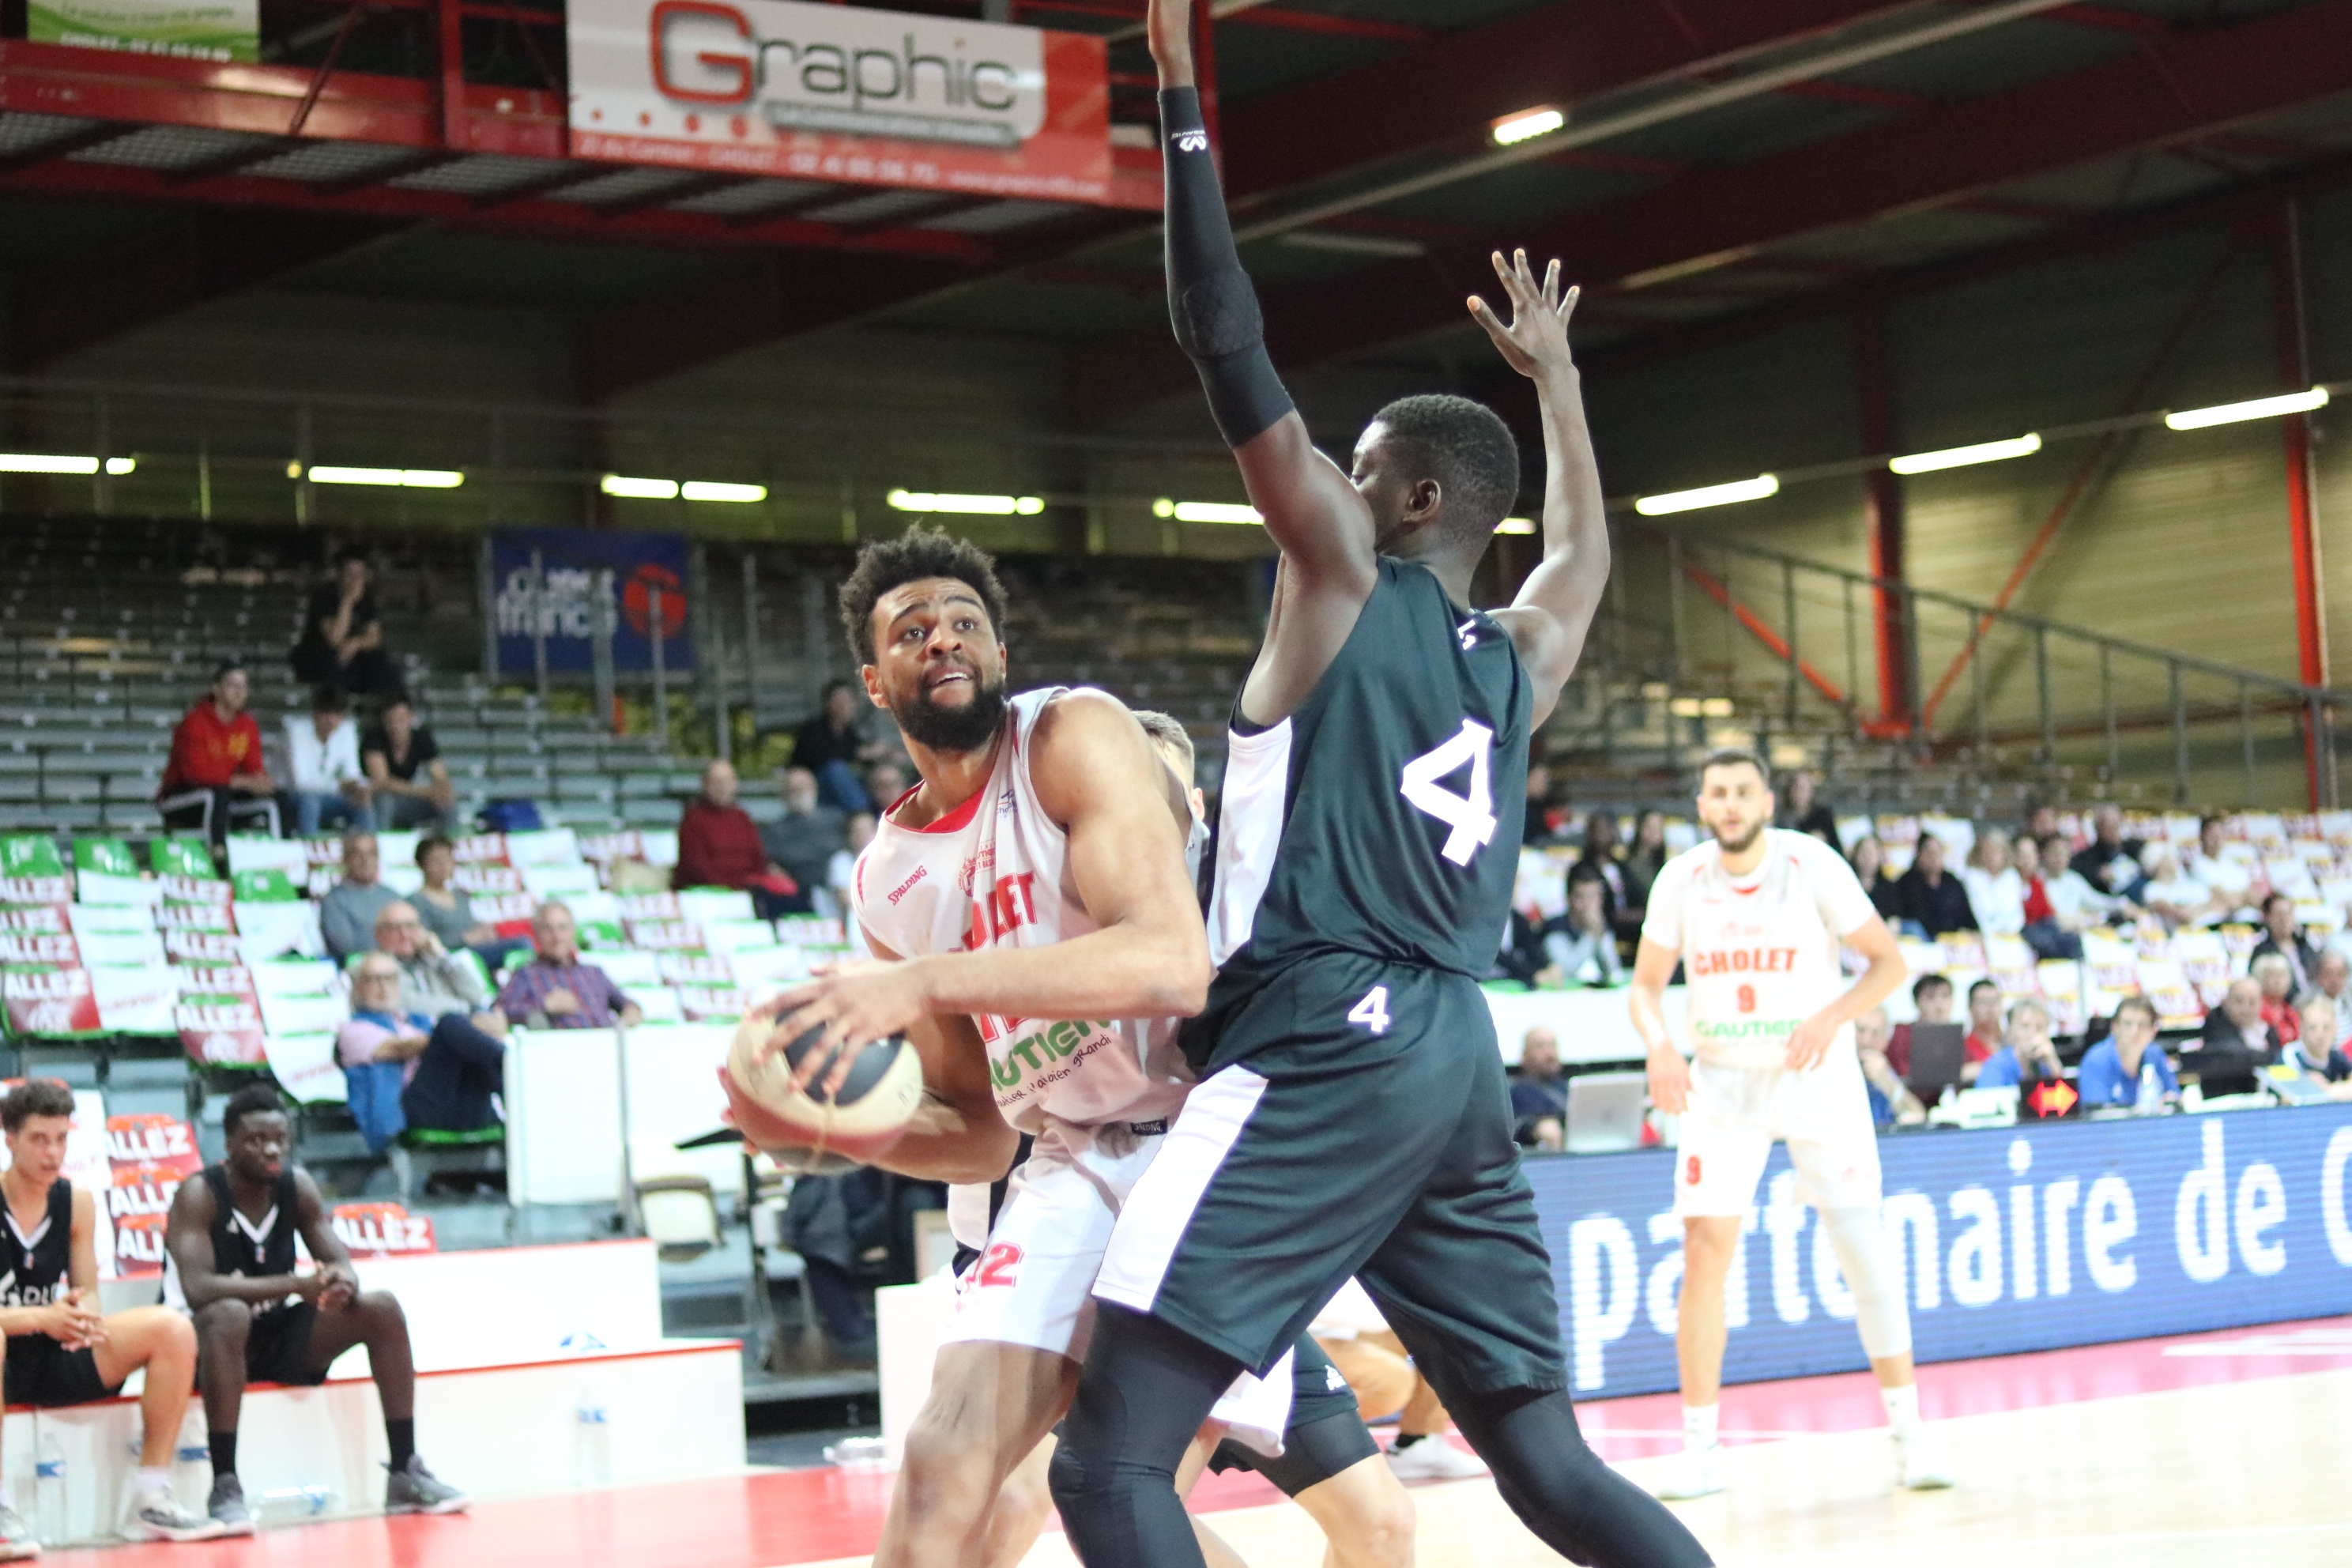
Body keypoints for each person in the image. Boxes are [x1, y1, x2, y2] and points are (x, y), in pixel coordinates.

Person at [1047, 13, 1713, 1561]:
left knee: (1114, 1461)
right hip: (1454, 1061)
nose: (1324, 491)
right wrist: (1559, 380)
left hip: (1321, 1035)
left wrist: (1178, 103)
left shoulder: (1343, 575)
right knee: (1547, 1462)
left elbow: (1222, 338)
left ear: (1405, 499)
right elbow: (1582, 557)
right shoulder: (1518, 657)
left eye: (1352, 469)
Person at [726, 532, 1404, 1568]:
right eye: (912, 632)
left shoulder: (1070, 734)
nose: (943, 639)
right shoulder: (888, 881)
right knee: (942, 1457)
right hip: (1067, 1158)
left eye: (965, 622)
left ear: (999, 653)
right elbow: (976, 1139)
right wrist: (827, 1132)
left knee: (1131, 1496)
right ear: (874, 679)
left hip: (1209, 1146)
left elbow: (1171, 965)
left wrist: (924, 980)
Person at [1632, 750, 1946, 1499]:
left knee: (1862, 1245)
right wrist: (1660, 1048)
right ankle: (1700, 1450)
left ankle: (1910, 1437)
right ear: (1703, 806)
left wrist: (1832, 1019)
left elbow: (1887, 964)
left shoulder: (1814, 865)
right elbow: (1645, 989)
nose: (1731, 804)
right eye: (1718, 793)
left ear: (1768, 800)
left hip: (1817, 1075)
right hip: (1722, 1081)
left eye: (1744, 791)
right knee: (1706, 1253)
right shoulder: (1681, 879)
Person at [164, 1086, 466, 1533]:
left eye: (279, 1139)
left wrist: (343, 1282)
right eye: (256, 1139)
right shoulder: (199, 1194)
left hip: (271, 1334)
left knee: (381, 1308)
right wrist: (295, 1284)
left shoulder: (296, 1187)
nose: (271, 1149)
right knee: (229, 1314)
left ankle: (405, 1471)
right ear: (228, 1144)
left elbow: (338, 1259)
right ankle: (225, 1484)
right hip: (202, 1347)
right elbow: (197, 1288)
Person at [0, 1081, 220, 1547]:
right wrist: (41, 1318)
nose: (53, 1152)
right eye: (40, 1139)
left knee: (172, 1329)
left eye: (61, 1139)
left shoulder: (75, 1202)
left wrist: (83, 1317)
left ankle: (151, 1501)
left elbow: (88, 1293)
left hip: (53, 1351)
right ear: (10, 1140)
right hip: (8, 1355)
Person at [1308, 1279, 1487, 1482]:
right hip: (1293, 1344)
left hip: (1343, 1331)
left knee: (1438, 1333)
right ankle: (1307, 1440)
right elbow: (1370, 1318)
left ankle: (1417, 1442)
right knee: (1390, 1381)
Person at [373, 902, 508, 1136]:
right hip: (424, 1081)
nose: (405, 935)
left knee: (465, 1030)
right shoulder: (376, 971)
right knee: (450, 1024)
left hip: (459, 1078)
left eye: (412, 926)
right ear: (379, 935)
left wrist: (442, 956)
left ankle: (512, 1083)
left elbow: (478, 995)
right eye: (395, 928)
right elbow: (405, 1002)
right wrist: (466, 1015)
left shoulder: (434, 963)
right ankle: (511, 1066)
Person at [156, 661, 276, 845]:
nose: (239, 692)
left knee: (279, 797)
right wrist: (240, 782)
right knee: (217, 795)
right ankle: (219, 857)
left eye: (243, 686)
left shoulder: (247, 724)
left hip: (224, 793)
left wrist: (261, 780)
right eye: (232, 685)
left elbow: (253, 765)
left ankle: (287, 856)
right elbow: (196, 775)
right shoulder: (194, 722)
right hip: (182, 796)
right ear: (216, 689)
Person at [673, 760, 800, 919]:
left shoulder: (741, 817)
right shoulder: (693, 820)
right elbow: (697, 868)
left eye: (728, 782)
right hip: (709, 895)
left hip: (749, 891)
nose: (722, 787)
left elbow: (758, 858)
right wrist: (740, 886)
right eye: (717, 782)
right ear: (705, 785)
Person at [337, 954, 432, 1154]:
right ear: (358, 987)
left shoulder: (418, 1021)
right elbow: (400, 1049)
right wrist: (445, 1037)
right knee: (454, 1025)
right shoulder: (353, 1030)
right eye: (373, 979)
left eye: (390, 978)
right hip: (407, 1111)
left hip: (440, 1097)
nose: (384, 987)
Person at [493, 902, 641, 1030]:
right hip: (561, 1051)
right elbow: (499, 1010)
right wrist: (544, 1006)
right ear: (537, 934)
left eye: (563, 928)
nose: (557, 937)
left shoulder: (593, 973)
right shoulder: (527, 974)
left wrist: (632, 1012)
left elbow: (625, 1004)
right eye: (548, 929)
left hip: (606, 1044)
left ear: (573, 932)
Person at [288, 552, 398, 696]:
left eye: (360, 575)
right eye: (350, 575)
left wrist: (355, 643)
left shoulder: (367, 599)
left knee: (382, 663)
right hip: (318, 655)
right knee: (334, 661)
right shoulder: (324, 596)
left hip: (352, 654)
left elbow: (374, 638)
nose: (355, 580)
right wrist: (347, 602)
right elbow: (334, 638)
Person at [410, 835, 525, 971]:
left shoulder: (461, 896)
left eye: (447, 860)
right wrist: (463, 939)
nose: (443, 866)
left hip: (476, 951)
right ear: (422, 865)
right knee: (521, 944)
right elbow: (423, 941)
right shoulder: (416, 900)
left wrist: (485, 932)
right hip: (450, 957)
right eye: (437, 861)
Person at [282, 684, 373, 836]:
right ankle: (310, 850)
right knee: (310, 802)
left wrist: (360, 787)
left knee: (362, 801)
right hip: (296, 798)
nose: (331, 720)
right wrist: (340, 785)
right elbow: (301, 783)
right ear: (315, 714)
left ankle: (367, 846)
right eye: (327, 714)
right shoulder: (296, 732)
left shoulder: (347, 730)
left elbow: (352, 772)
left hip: (331, 797)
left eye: (337, 714)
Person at [759, 767, 847, 916]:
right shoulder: (774, 832)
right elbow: (768, 863)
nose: (800, 793)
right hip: (798, 898)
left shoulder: (837, 820)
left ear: (815, 789)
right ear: (784, 795)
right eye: (794, 790)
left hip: (841, 892)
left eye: (804, 788)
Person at [361, 692, 455, 832]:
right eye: (390, 720)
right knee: (385, 800)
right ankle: (381, 845)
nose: (395, 726)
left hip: (408, 799)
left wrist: (442, 790)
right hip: (379, 801)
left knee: (447, 801)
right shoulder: (373, 738)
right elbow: (382, 782)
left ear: (411, 718)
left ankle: (450, 846)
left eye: (401, 719)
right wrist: (428, 792)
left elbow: (439, 774)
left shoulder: (422, 738)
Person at [793, 679, 890, 814]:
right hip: (813, 786)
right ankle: (861, 812)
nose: (845, 705)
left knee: (879, 776)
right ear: (828, 703)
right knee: (836, 770)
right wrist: (860, 753)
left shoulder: (849, 732)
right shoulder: (813, 730)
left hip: (840, 786)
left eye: (849, 701)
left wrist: (882, 753)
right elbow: (822, 758)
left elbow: (858, 753)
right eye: (840, 700)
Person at [2076, 996, 2177, 1109]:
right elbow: (2096, 1114)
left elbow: (2173, 1098)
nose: (2135, 1032)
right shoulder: (2096, 1061)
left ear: (2153, 1031)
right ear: (2114, 1027)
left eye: (2142, 1025)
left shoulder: (2156, 1055)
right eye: (2128, 1024)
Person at [2190, 977, 2281, 1096]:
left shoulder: (2268, 1030)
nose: (2245, 1009)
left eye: (2252, 1002)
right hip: (2225, 1096)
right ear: (2226, 1001)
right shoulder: (2215, 1022)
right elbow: (2235, 1055)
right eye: (2239, 1001)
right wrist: (2271, 1058)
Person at [318, 830, 400, 960]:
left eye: (371, 854)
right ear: (345, 859)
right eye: (357, 854)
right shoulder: (333, 901)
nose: (365, 860)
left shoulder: (392, 896)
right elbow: (346, 946)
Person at [1537, 869, 1622, 987]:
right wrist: (1591, 934)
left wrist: (1599, 934)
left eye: (1593, 897)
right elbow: (1566, 970)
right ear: (1569, 898)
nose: (1587, 904)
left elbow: (1613, 971)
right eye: (1581, 897)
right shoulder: (1555, 927)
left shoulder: (1601, 926)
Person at [1894, 833, 1977, 937]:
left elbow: (1969, 920)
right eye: (1929, 853)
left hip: (1952, 943)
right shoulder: (1905, 884)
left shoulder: (1953, 883)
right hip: (1921, 944)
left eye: (1938, 853)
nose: (1934, 858)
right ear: (1919, 855)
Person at [2015, 836, 2084, 960]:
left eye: (2031, 856)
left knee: (2072, 939)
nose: (2027, 861)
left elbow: (2048, 912)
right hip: (2024, 930)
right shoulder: (2011, 881)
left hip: (2045, 927)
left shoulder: (2036, 883)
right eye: (2023, 856)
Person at [1973, 998, 2063, 1090]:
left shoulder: (2046, 1066)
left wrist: (2053, 1062)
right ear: (2011, 1030)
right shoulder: (1995, 1068)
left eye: (2039, 1028)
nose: (2032, 1033)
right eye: (2025, 1026)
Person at [1854, 1007, 1922, 1126]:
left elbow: (1917, 1116)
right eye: (1861, 1030)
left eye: (1875, 1033)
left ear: (1885, 1040)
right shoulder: (1833, 1069)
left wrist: (1886, 1082)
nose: (1866, 1040)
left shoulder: (1885, 1070)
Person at [1884, 972, 1954, 1084]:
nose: (1939, 1005)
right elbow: (1904, 1075)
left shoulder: (1954, 1037)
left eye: (1945, 996)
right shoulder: (1902, 1035)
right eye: (1930, 997)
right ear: (1917, 1002)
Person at [2250, 891, 2323, 998]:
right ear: (2268, 918)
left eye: (2288, 913)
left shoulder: (2304, 944)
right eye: (2279, 914)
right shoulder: (2263, 951)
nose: (2284, 920)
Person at [2071, 804, 2146, 902]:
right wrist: (2098, 874)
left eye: (2115, 825)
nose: (2113, 831)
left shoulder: (2135, 847)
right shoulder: (2085, 858)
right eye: (2107, 826)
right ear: (2097, 828)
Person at [2188, 814, 2256, 920]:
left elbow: (2251, 894)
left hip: (2244, 913)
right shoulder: (2198, 865)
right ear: (2202, 836)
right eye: (2212, 835)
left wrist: (2241, 899)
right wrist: (2241, 899)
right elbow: (2225, 899)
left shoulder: (2231, 863)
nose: (2216, 839)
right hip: (2216, 917)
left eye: (2219, 834)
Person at [1958, 827, 2025, 936]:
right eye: (1987, 851)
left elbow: (2015, 912)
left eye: (1995, 851)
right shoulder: (1972, 877)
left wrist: (2009, 932)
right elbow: (1978, 910)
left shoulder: (2011, 876)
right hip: (1981, 934)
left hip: (2011, 935)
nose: (1991, 856)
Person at [2283, 995, 2352, 1099]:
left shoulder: (2336, 1056)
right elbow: (2286, 1097)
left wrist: (2328, 1090)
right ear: (2301, 1030)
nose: (2320, 1035)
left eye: (2326, 1027)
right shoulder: (2290, 1057)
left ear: (2335, 1029)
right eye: (2312, 1028)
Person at [1511, 1027, 1569, 1150]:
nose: (1549, 1053)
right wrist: (1535, 1129)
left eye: (1552, 1045)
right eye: (1540, 1046)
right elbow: (1512, 1126)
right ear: (1525, 1054)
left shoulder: (1569, 1088)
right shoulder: (1514, 1092)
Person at [2139, 845, 2218, 931]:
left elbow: (2218, 905)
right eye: (2170, 857)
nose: (2176, 860)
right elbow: (2181, 915)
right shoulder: (2152, 890)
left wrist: (2194, 911)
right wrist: (2204, 908)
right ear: (2160, 862)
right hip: (2181, 936)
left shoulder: (2188, 884)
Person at [1622, 810, 1669, 929]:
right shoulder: (1628, 867)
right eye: (1653, 828)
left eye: (1660, 828)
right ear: (1642, 830)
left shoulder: (1663, 866)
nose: (1659, 833)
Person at [1849, 835, 1902, 924]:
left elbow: (1894, 917)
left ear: (1879, 857)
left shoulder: (1888, 888)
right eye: (1863, 853)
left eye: (1871, 853)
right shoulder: (1845, 885)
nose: (1867, 858)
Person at [2252, 952, 2302, 1044]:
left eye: (2282, 975)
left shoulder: (2292, 1011)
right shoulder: (2255, 1009)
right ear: (2260, 979)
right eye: (2272, 976)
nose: (2278, 981)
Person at [1962, 978, 2004, 1084]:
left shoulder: (2012, 1043)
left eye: (1995, 1002)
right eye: (1983, 1003)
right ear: (1970, 1008)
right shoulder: (1961, 1047)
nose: (1991, 1008)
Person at [1776, 768, 1837, 841]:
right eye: (1796, 788)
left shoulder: (1823, 816)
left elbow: (1836, 847)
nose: (1799, 793)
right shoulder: (1783, 818)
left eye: (1803, 789)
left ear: (1811, 792)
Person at [2311, 950, 2352, 1054]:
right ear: (2319, 976)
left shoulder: (2349, 998)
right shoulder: (2307, 1003)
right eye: (2329, 973)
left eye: (2339, 974)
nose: (2334, 980)